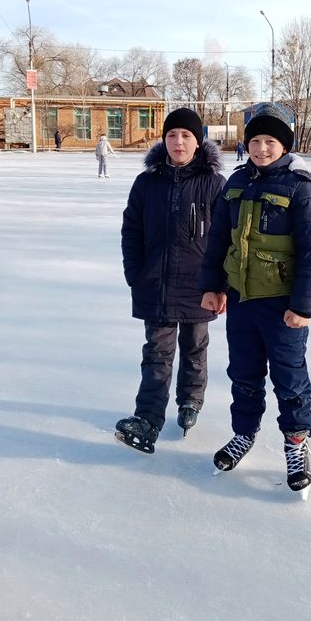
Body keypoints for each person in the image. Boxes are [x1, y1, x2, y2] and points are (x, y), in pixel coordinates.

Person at [199, 104, 311, 494]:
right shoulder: (235, 184)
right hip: (241, 299)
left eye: (270, 141)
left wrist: (302, 305)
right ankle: (244, 433)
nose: (261, 148)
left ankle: (296, 443)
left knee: (289, 379)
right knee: (244, 373)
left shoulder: (302, 187)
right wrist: (213, 285)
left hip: (282, 303)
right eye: (255, 140)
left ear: (284, 145)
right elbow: (218, 239)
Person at [115, 108, 225, 454]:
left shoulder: (214, 184)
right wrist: (135, 272)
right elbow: (131, 229)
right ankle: (147, 419)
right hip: (156, 282)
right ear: (164, 140)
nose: (179, 142)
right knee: (157, 353)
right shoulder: (147, 182)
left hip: (199, 284)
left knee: (195, 347)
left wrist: (220, 285)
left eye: (186, 136)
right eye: (172, 135)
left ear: (198, 141)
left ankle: (190, 400)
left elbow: (226, 239)